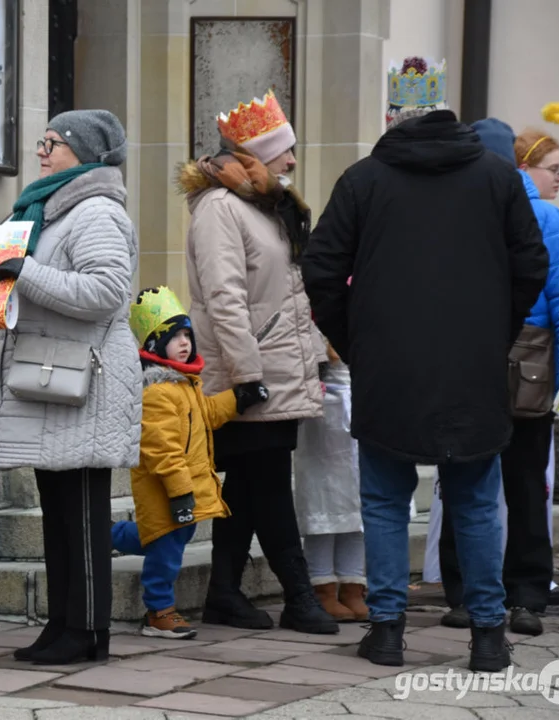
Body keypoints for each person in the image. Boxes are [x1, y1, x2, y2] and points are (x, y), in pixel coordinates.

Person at [301, 57, 549, 671]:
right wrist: (495, 333)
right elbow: (531, 266)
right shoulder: (498, 178)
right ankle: (488, 636)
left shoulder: (364, 180)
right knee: (475, 498)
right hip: (473, 363)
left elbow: (321, 271)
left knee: (386, 500)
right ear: (450, 118)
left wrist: (357, 339)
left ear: (393, 121)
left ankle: (386, 630)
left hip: (388, 365)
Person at [0, 109, 141, 665]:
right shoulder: (47, 208)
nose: (41, 151)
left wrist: (21, 271)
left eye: (52, 143)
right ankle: (63, 622)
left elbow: (105, 291)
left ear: (84, 152)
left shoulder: (95, 210)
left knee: (82, 511)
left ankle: (89, 631)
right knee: (58, 511)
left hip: (85, 377)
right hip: (54, 374)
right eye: (41, 141)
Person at [178, 90, 336, 635]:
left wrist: (312, 355)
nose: (292, 162)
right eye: (283, 152)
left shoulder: (263, 205)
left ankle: (224, 592)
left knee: (247, 483)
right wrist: (247, 376)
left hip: (277, 368)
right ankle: (298, 594)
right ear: (253, 156)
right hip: (251, 373)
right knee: (268, 483)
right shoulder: (222, 209)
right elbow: (224, 298)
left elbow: (289, 295)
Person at [434, 120, 559, 637]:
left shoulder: (544, 215)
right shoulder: (454, 213)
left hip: (527, 367)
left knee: (524, 488)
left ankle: (526, 596)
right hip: (468, 364)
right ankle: (465, 593)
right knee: (464, 481)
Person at [111, 286, 238, 639]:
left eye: (187, 335)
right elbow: (162, 451)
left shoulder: (186, 386)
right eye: (174, 336)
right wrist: (181, 494)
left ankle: (107, 536)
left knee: (167, 536)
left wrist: (236, 400)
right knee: (165, 553)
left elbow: (208, 414)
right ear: (154, 345)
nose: (184, 342)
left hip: (185, 491)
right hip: (167, 491)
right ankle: (158, 612)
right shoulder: (155, 392)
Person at [293, 341, 368, 622]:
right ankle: (322, 586)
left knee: (359, 507)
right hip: (325, 402)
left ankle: (353, 586)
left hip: (363, 398)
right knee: (324, 503)